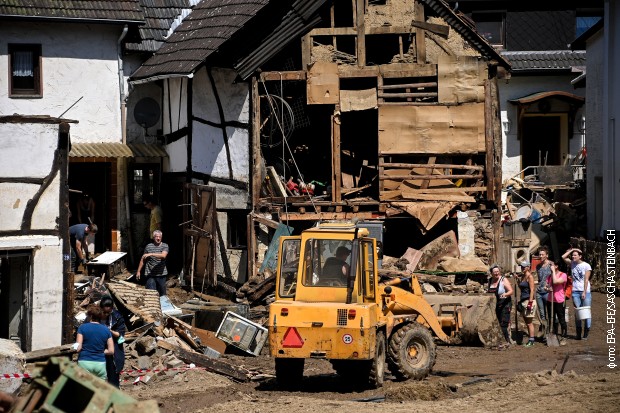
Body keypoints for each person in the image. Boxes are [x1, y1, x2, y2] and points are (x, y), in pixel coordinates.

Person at [76, 304, 114, 380]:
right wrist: (101, 351)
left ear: (90, 316)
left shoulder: (82, 328)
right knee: (100, 390)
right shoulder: (106, 330)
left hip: (84, 361)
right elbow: (111, 351)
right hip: (100, 364)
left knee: (83, 389)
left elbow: (78, 348)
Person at [562, 248, 592, 340]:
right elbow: (563, 256)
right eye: (573, 255)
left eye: (575, 255)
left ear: (580, 256)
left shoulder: (586, 266)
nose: (573, 256)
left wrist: (584, 291)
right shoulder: (572, 264)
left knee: (586, 312)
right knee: (577, 313)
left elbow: (586, 279)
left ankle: (586, 333)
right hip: (575, 291)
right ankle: (578, 334)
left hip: (585, 291)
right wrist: (573, 249)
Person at [99, 296, 126, 388]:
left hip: (113, 347)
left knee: (113, 373)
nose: (106, 314)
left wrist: (109, 331)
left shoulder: (117, 316)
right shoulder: (95, 315)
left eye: (108, 312)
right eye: (104, 312)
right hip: (99, 346)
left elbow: (120, 333)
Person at [487, 264, 513, 348]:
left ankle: (506, 342)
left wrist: (505, 294)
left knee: (503, 323)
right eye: (494, 272)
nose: (496, 273)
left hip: (505, 304)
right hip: (495, 305)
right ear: (491, 273)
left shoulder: (503, 280)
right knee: (496, 323)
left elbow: (511, 291)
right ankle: (498, 340)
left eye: (497, 271)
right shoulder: (490, 280)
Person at [137, 230, 169, 296]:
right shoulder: (148, 246)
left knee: (162, 294)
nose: (158, 238)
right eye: (156, 237)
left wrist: (151, 254)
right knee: (151, 294)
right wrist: (138, 271)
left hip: (161, 274)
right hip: (150, 274)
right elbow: (143, 259)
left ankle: (162, 306)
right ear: (153, 238)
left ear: (161, 237)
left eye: (159, 237)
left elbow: (163, 256)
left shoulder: (165, 246)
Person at [545, 261, 568, 341]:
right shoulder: (549, 276)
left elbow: (555, 282)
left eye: (552, 265)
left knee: (561, 318)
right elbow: (546, 286)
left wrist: (553, 272)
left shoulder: (563, 275)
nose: (550, 266)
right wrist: (548, 288)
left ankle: (564, 336)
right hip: (550, 300)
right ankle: (554, 334)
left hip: (559, 300)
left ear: (557, 266)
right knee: (551, 318)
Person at [517, 262, 536, 347]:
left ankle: (532, 340)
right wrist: (517, 279)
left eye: (524, 267)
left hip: (528, 300)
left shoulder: (530, 277)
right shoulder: (523, 277)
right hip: (523, 300)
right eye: (521, 267)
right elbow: (520, 287)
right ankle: (530, 338)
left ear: (528, 267)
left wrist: (530, 303)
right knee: (526, 321)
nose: (522, 268)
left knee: (529, 322)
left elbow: (532, 290)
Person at [535, 246, 552, 322]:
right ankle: (544, 329)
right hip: (539, 292)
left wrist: (550, 287)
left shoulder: (551, 265)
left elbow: (554, 277)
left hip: (547, 292)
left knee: (550, 312)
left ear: (547, 255)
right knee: (542, 313)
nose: (541, 256)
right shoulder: (538, 266)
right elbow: (539, 279)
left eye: (542, 254)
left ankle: (551, 329)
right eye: (540, 254)